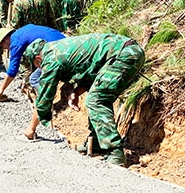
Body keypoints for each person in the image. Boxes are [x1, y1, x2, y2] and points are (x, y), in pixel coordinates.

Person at [23, 33, 146, 166]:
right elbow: (91, 69)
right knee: (99, 96)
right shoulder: (58, 48)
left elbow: (44, 99)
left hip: (123, 55)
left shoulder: (51, 59)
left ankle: (115, 152)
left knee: (96, 100)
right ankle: (98, 141)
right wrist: (76, 92)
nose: (39, 68)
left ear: (38, 58)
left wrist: (31, 128)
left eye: (36, 65)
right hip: (128, 51)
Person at [0, 24, 65, 97]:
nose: (4, 48)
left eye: (2, 46)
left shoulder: (15, 42)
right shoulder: (22, 31)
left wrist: (1, 89)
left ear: (5, 40)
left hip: (57, 51)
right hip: (65, 43)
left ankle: (47, 100)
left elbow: (12, 71)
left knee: (34, 79)